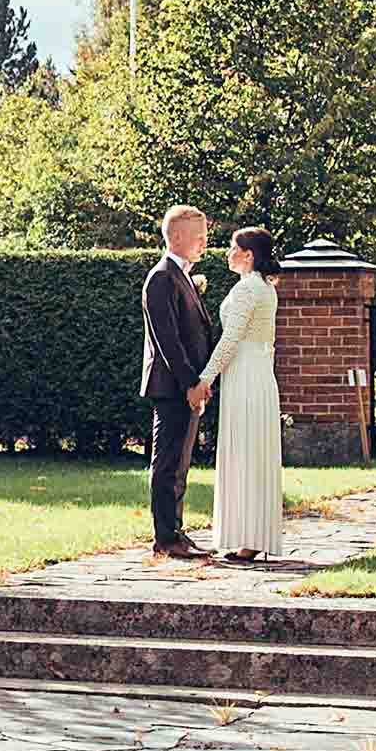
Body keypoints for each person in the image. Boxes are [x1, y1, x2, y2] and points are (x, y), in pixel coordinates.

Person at [135, 206, 215, 560]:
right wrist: (190, 383)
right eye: (199, 236)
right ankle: (165, 538)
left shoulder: (182, 276)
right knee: (167, 463)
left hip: (188, 386)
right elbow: (168, 339)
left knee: (180, 463)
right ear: (177, 237)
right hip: (172, 387)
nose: (204, 243)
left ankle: (176, 531)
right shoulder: (161, 277)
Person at [202, 224, 286, 560]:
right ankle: (249, 536)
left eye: (233, 248)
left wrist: (205, 378)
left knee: (245, 453)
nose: (228, 253)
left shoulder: (248, 289)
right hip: (260, 373)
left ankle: (249, 539)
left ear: (248, 255)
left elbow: (230, 340)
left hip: (246, 375)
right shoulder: (265, 287)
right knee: (253, 453)